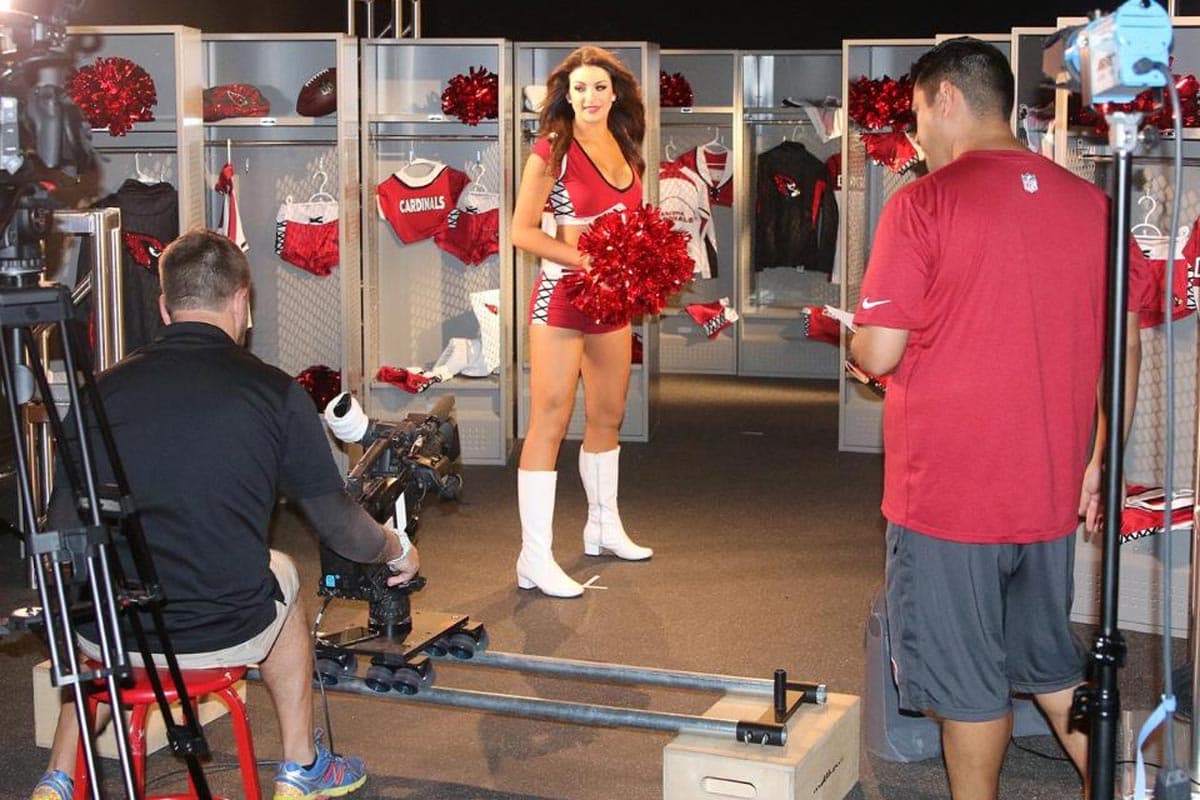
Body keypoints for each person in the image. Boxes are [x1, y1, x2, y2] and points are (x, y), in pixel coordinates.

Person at [848, 37, 1155, 800]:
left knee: (967, 691)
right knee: (1050, 664)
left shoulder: (921, 203)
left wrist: (857, 344)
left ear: (946, 99)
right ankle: (1114, 790)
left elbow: (880, 353)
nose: (916, 137)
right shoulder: (1093, 204)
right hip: (1047, 492)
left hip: (948, 499)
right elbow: (1125, 347)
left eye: (917, 115)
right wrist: (1103, 457)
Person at [31, 230, 418, 800]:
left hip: (111, 630)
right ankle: (301, 766)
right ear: (243, 302)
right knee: (281, 569)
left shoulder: (100, 392)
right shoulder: (275, 393)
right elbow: (339, 527)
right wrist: (397, 548)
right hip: (223, 626)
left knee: (104, 602)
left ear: (164, 306)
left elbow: (60, 528)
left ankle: (59, 778)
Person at [510, 46, 653, 598]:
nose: (588, 98)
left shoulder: (628, 149)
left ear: (614, 92)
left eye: (598, 87)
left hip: (611, 300)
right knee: (549, 416)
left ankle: (602, 526)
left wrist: (636, 260)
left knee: (609, 414)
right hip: (563, 295)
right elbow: (523, 232)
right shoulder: (553, 149)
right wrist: (588, 260)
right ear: (565, 97)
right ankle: (534, 557)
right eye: (578, 89)